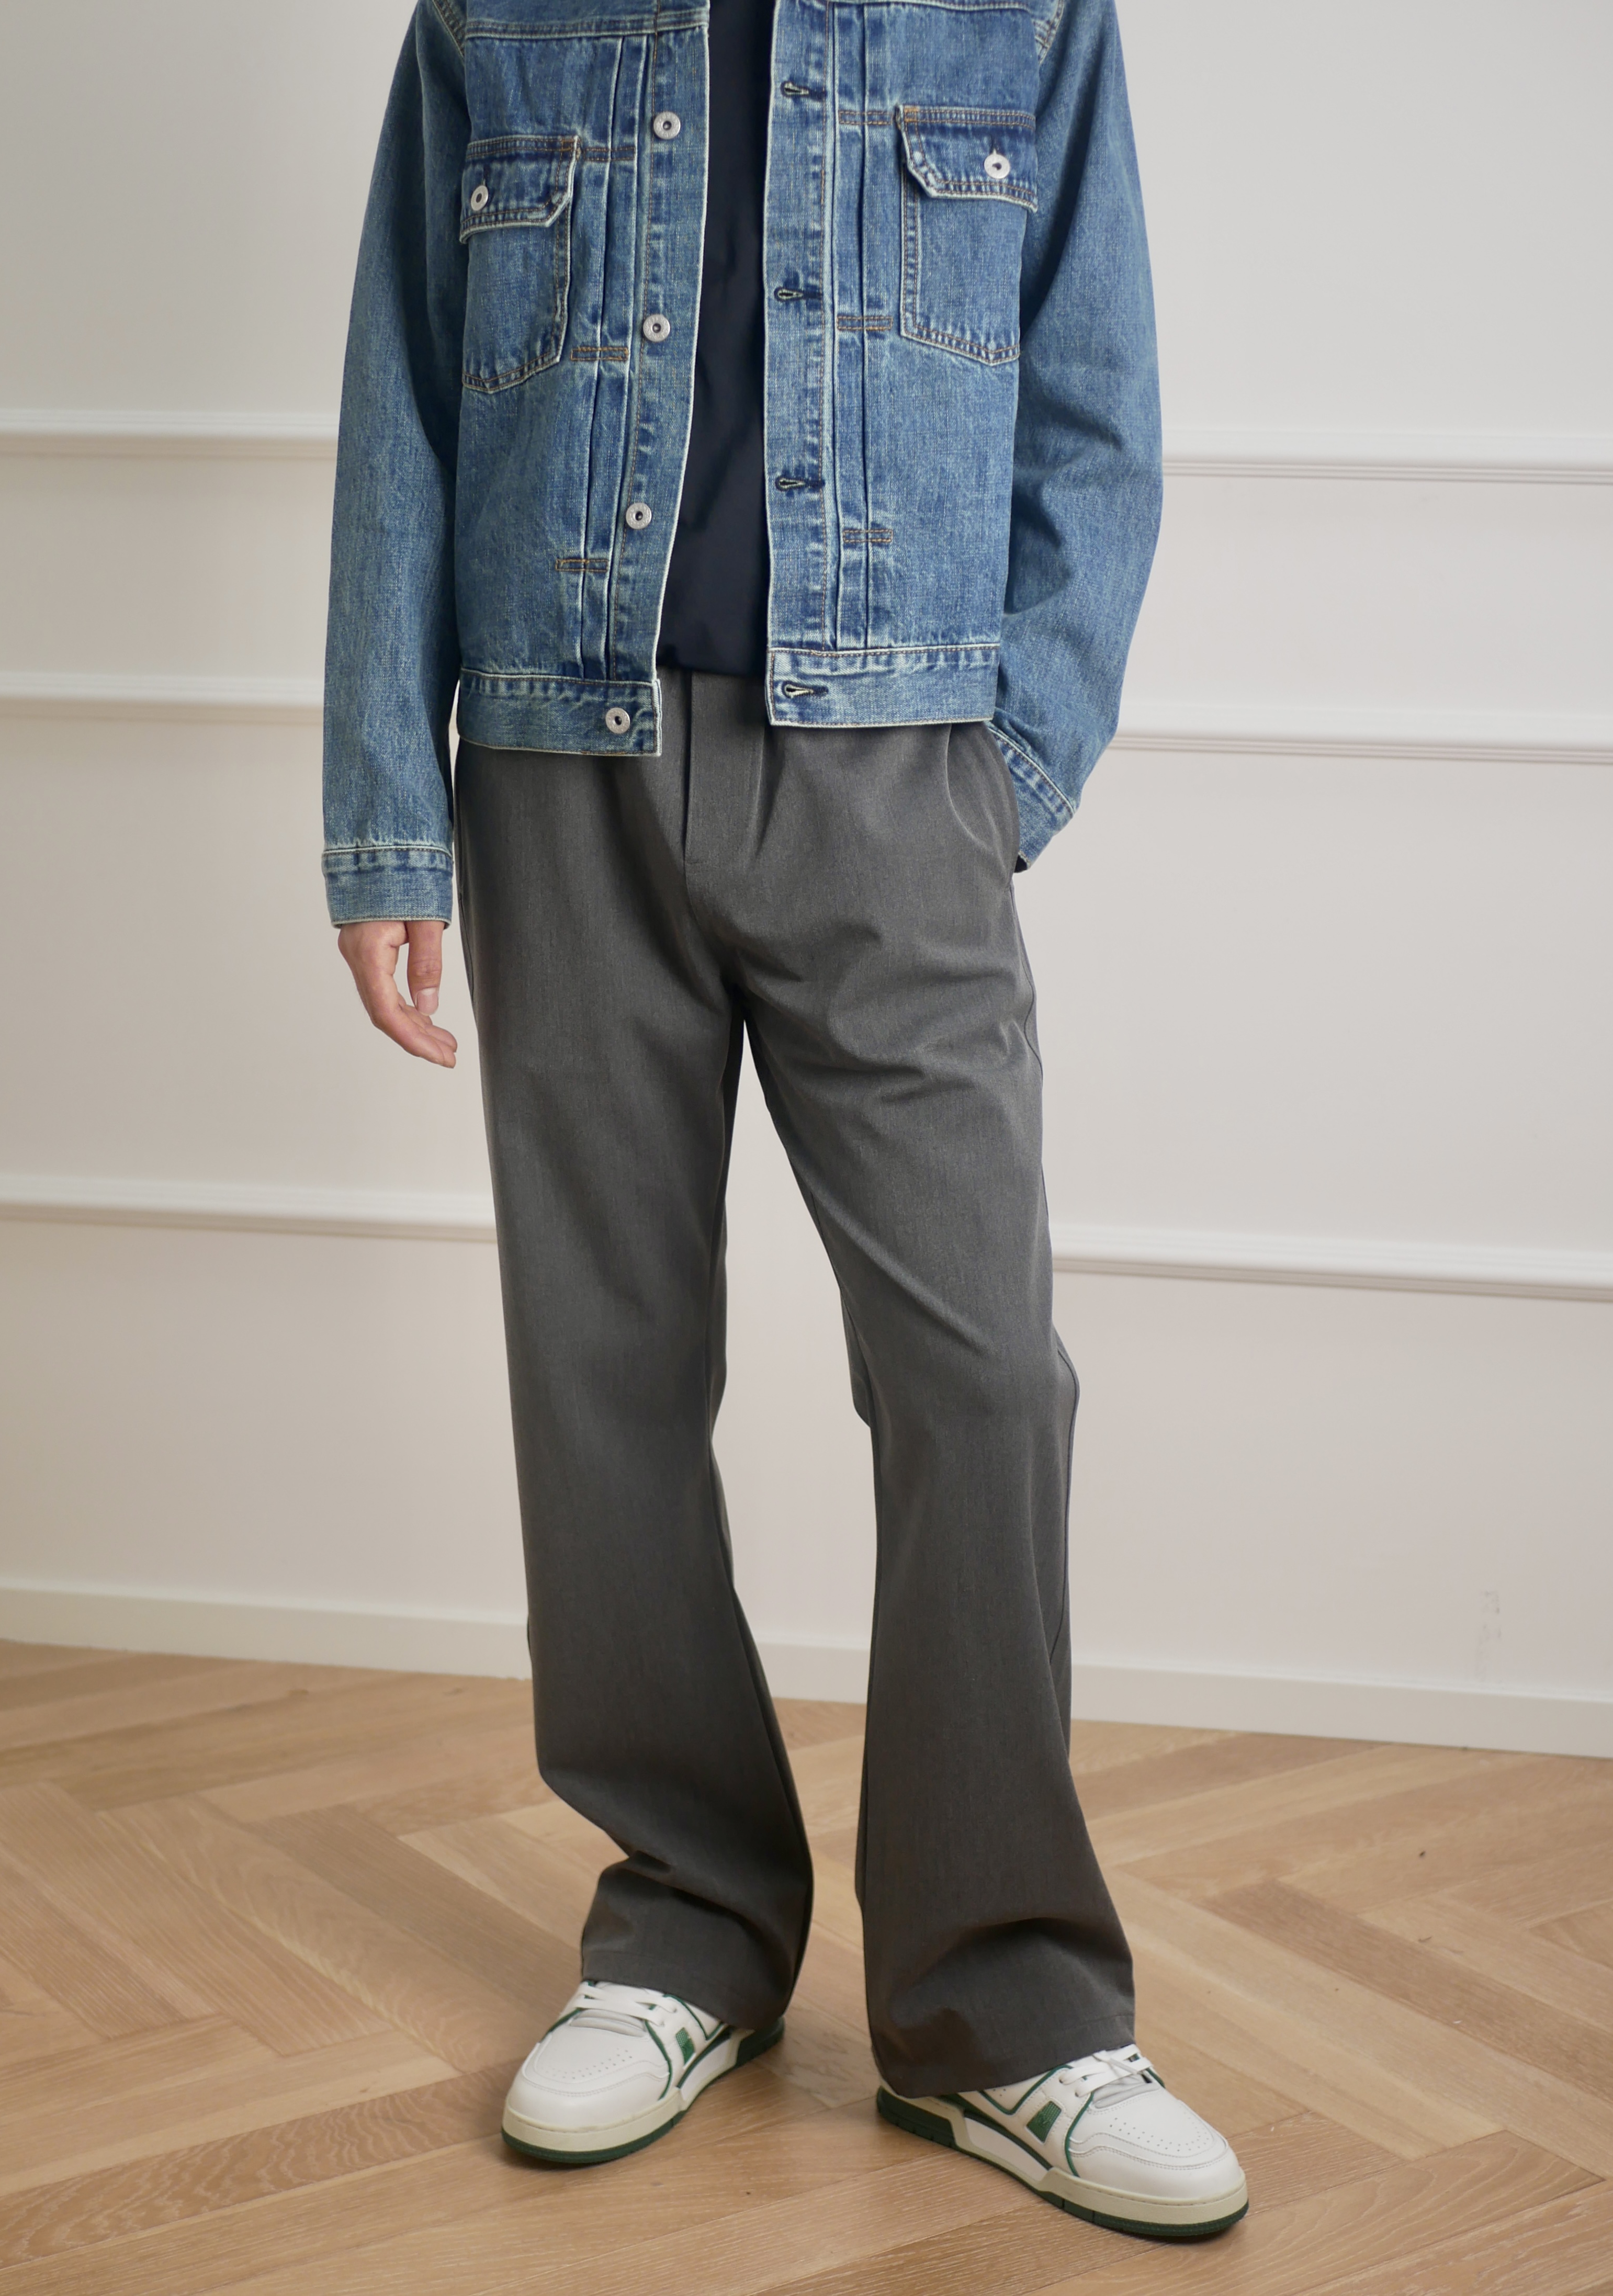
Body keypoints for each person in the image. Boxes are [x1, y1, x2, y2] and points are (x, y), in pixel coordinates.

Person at [324, 0, 1247, 2244]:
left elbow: (1096, 405)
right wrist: (383, 817)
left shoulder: (1021, 12)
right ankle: (684, 1931)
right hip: (559, 756)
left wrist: (996, 778)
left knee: (981, 1373)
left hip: (896, 771)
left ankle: (1001, 2009)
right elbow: (405, 399)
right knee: (605, 1373)